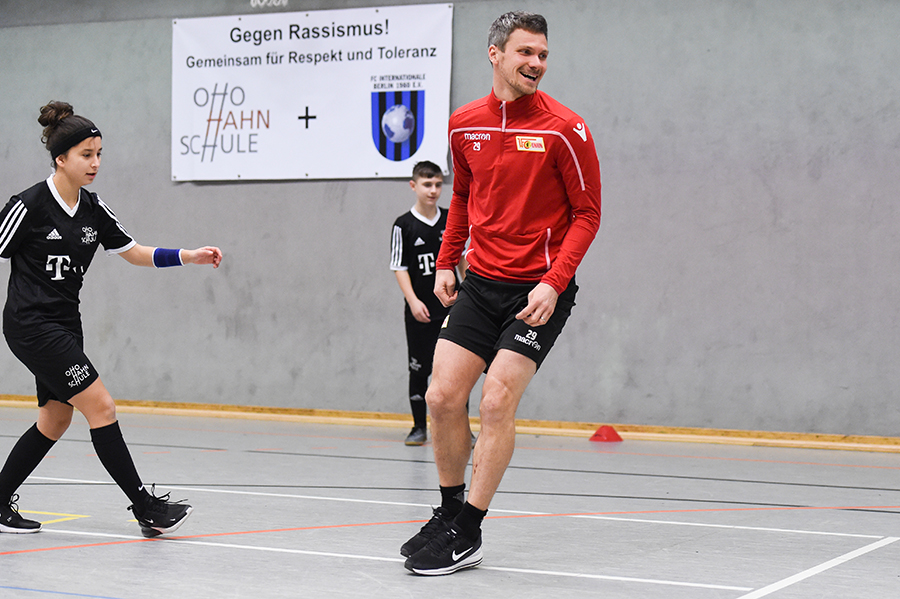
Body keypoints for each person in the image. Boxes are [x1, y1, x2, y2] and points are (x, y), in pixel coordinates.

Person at [401, 12, 601, 575]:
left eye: (542, 54)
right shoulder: (464, 124)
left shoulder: (566, 128)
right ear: (495, 55)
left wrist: (553, 282)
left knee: (495, 402)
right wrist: (446, 262)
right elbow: (463, 197)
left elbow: (588, 215)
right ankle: (446, 513)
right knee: (441, 397)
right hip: (479, 284)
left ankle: (468, 531)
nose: (536, 63)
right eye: (525, 53)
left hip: (537, 292)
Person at [0, 101, 223, 538]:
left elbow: (134, 252)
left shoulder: (94, 209)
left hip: (65, 325)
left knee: (55, 420)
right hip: (31, 325)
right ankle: (145, 507)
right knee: (101, 406)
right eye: (86, 154)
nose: (95, 163)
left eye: (99, 153)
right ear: (60, 158)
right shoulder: (28, 205)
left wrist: (188, 256)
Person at [390, 161, 467, 446]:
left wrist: (468, 292)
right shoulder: (403, 225)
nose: (433, 190)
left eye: (437, 185)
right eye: (427, 184)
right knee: (420, 369)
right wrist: (412, 301)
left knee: (458, 372)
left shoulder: (451, 219)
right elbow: (399, 267)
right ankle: (419, 427)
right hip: (421, 311)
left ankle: (461, 430)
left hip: (451, 310)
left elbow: (460, 260)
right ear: (414, 186)